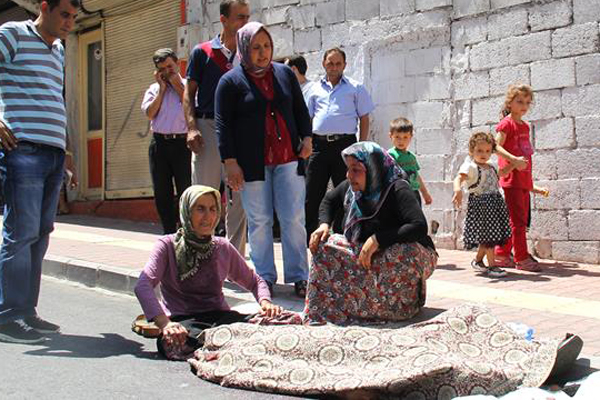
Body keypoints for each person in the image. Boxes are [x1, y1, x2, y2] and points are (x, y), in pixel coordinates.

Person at [0, 0, 79, 344]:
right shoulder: (12, 34)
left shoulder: (59, 49)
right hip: (23, 150)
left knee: (41, 233)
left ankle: (26, 312)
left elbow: (53, 99)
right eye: (64, 15)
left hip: (52, 155)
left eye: (74, 18)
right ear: (44, 7)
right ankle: (7, 315)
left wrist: (67, 150)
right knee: (21, 232)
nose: (69, 24)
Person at [215, 22, 312, 298]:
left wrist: (306, 138)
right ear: (244, 48)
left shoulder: (284, 74)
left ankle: (300, 276)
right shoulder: (230, 82)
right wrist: (229, 162)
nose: (262, 53)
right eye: (255, 47)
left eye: (266, 46)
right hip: (250, 163)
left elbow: (299, 110)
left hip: (287, 158)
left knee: (293, 217)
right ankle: (264, 278)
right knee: (259, 220)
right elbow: (223, 125)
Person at [134, 185, 282, 360]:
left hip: (221, 319)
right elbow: (143, 285)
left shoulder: (221, 246)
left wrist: (266, 303)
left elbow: (254, 281)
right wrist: (165, 324)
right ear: (186, 211)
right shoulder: (167, 245)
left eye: (212, 209)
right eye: (200, 209)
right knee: (175, 343)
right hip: (185, 323)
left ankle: (225, 347)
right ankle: (234, 347)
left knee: (283, 321)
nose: (208, 217)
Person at [306, 142, 437, 325]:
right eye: (348, 169)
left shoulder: (397, 188)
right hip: (365, 249)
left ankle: (396, 308)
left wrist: (378, 239)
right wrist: (324, 225)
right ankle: (342, 307)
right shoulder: (351, 189)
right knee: (324, 245)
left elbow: (418, 226)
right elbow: (329, 200)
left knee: (402, 254)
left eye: (356, 170)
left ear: (373, 168)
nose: (349, 176)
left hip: (403, 251)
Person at [183, 0, 250, 254]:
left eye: (247, 17)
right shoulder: (202, 52)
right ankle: (197, 255)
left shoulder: (249, 56)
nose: (245, 22)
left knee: (239, 200)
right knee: (203, 197)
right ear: (223, 20)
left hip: (239, 131)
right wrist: (191, 127)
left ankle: (234, 261)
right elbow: (188, 94)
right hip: (208, 127)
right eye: (239, 17)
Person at [304, 47, 374, 237]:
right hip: (318, 146)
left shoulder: (355, 88)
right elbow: (306, 119)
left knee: (347, 191)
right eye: (330, 63)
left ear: (344, 65)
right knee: (312, 192)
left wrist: (362, 146)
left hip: (346, 146)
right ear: (323, 64)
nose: (334, 67)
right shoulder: (313, 89)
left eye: (338, 63)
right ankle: (310, 235)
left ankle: (343, 235)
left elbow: (364, 117)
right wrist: (306, 142)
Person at [494, 84, 549, 272]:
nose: (524, 105)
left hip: (523, 181)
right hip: (512, 180)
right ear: (510, 103)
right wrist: (513, 160)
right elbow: (496, 147)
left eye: (527, 102)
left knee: (517, 221)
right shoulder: (506, 124)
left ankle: (501, 254)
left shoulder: (524, 126)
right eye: (519, 101)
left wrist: (532, 184)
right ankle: (521, 258)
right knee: (518, 222)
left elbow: (526, 156)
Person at [142, 48, 190, 234]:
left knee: (185, 189)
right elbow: (150, 113)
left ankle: (187, 231)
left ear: (177, 64)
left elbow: (191, 107)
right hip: (159, 144)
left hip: (182, 144)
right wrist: (162, 89)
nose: (167, 71)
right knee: (162, 192)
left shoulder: (188, 86)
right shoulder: (154, 89)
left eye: (170, 66)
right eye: (162, 69)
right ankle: (168, 232)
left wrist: (176, 85)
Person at [452, 132, 512, 278]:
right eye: (479, 150)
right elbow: (458, 179)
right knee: (489, 236)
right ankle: (492, 266)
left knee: (489, 235)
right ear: (471, 151)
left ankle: (478, 261)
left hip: (495, 203)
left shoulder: (491, 166)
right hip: (481, 205)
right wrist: (458, 190)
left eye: (487, 151)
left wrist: (514, 164)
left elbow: (502, 172)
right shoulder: (470, 167)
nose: (484, 154)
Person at [387, 117, 432, 206]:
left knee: (416, 218)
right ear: (390, 136)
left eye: (405, 137)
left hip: (414, 192)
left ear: (410, 137)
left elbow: (416, 176)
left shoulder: (411, 157)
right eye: (397, 137)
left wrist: (425, 193)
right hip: (400, 193)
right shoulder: (390, 155)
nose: (401, 140)